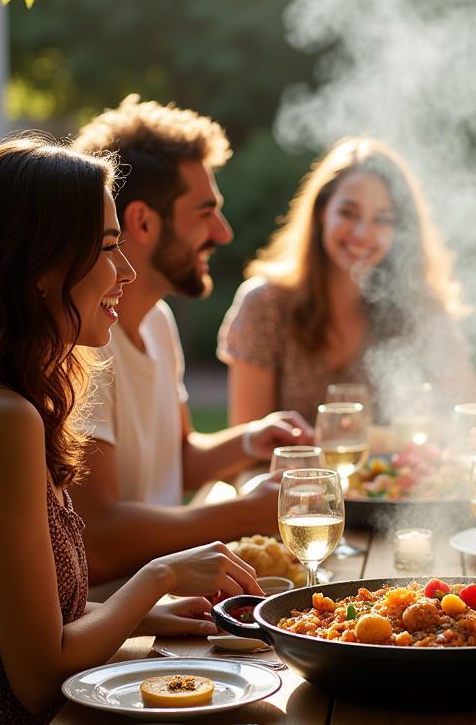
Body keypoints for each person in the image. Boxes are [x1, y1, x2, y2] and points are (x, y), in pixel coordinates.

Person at [0, 141, 263, 725]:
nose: (123, 269)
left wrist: (146, 622)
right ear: (40, 266)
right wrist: (160, 578)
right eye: (106, 247)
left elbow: (24, 622)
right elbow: (38, 678)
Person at [70, 96, 312, 587]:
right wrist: (245, 514)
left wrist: (249, 439)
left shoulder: (157, 320)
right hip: (127, 622)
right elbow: (97, 536)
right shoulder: (85, 343)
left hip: (175, 596)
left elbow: (177, 460)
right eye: (205, 213)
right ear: (141, 221)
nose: (222, 233)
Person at [219, 136, 476, 427]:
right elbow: (245, 448)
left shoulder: (417, 309)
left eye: (382, 219)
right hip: (285, 474)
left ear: (401, 230)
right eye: (348, 213)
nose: (362, 233)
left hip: (394, 474)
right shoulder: (266, 305)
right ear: (321, 213)